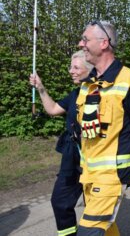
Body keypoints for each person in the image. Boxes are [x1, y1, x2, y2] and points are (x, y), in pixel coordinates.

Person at [76, 20, 130, 236]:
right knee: (107, 226)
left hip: (112, 176)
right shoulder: (88, 84)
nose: (80, 43)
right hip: (89, 175)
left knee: (88, 231)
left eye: (85, 39)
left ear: (104, 43)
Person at [29, 50, 93, 236]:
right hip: (72, 157)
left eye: (76, 67)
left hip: (94, 160)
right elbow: (52, 109)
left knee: (94, 209)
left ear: (89, 69)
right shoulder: (75, 94)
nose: (70, 71)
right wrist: (40, 87)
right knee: (59, 201)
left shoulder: (102, 94)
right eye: (70, 67)